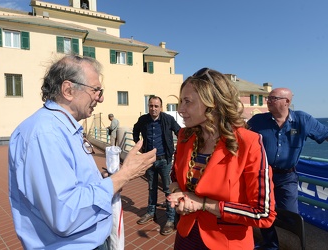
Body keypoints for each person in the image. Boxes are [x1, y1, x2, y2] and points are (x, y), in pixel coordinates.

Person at [8, 55, 156, 249]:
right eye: (96, 90)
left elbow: (72, 186)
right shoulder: (46, 134)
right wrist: (122, 176)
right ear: (68, 90)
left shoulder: (61, 128)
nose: (100, 98)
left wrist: (103, 182)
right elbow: (66, 214)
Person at [167, 68, 276, 249]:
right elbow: (174, 177)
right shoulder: (185, 136)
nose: (180, 110)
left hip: (226, 242)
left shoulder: (249, 143)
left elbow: (263, 214)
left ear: (213, 103)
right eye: (180, 101)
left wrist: (202, 204)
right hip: (186, 236)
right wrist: (179, 195)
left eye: (187, 101)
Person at [247, 87, 328, 249]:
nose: (268, 101)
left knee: (291, 215)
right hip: (262, 175)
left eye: (273, 98)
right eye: (268, 98)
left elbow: (325, 135)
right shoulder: (257, 121)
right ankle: (271, 244)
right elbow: (240, 139)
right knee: (262, 210)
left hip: (287, 177)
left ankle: (296, 244)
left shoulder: (303, 120)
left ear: (287, 102)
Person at [132, 96, 181, 235]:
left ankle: (170, 219)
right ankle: (150, 212)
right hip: (149, 160)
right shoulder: (143, 120)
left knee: (168, 189)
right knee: (152, 187)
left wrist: (179, 147)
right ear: (148, 106)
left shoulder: (167, 119)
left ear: (161, 107)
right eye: (151, 106)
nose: (153, 109)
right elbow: (135, 130)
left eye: (156, 106)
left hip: (164, 160)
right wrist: (138, 145)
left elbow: (180, 132)